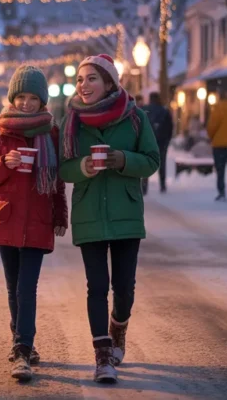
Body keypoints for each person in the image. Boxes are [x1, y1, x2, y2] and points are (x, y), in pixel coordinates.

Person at [58, 54, 159, 385]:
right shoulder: (71, 120)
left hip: (126, 212)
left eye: (91, 79)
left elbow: (151, 160)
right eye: (80, 80)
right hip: (89, 213)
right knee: (97, 286)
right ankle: (102, 356)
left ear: (110, 83)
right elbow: (62, 166)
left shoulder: (135, 117)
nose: (83, 86)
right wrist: (83, 168)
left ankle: (119, 325)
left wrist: (123, 159)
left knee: (124, 290)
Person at [0, 66, 68, 382]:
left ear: (42, 101)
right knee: (13, 287)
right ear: (12, 98)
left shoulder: (51, 134)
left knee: (27, 287)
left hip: (38, 221)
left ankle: (22, 349)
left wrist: (60, 215)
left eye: (33, 98)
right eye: (21, 97)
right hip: (7, 220)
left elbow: (56, 182)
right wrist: (5, 162)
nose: (27, 103)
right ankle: (21, 339)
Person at [140, 92, 174, 194]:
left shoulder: (144, 110)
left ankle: (144, 186)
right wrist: (167, 139)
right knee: (162, 162)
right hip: (162, 141)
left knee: (146, 161)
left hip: (147, 140)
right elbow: (170, 127)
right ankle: (162, 185)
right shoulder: (164, 111)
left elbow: (139, 124)